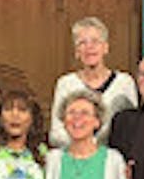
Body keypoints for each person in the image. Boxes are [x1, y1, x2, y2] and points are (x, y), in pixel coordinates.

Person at [48, 17, 139, 148]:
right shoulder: (66, 84)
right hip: (75, 159)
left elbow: (132, 130)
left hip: (114, 160)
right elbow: (56, 134)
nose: (89, 47)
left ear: (106, 48)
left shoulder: (124, 83)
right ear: (77, 52)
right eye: (82, 43)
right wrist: (85, 147)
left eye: (95, 41)